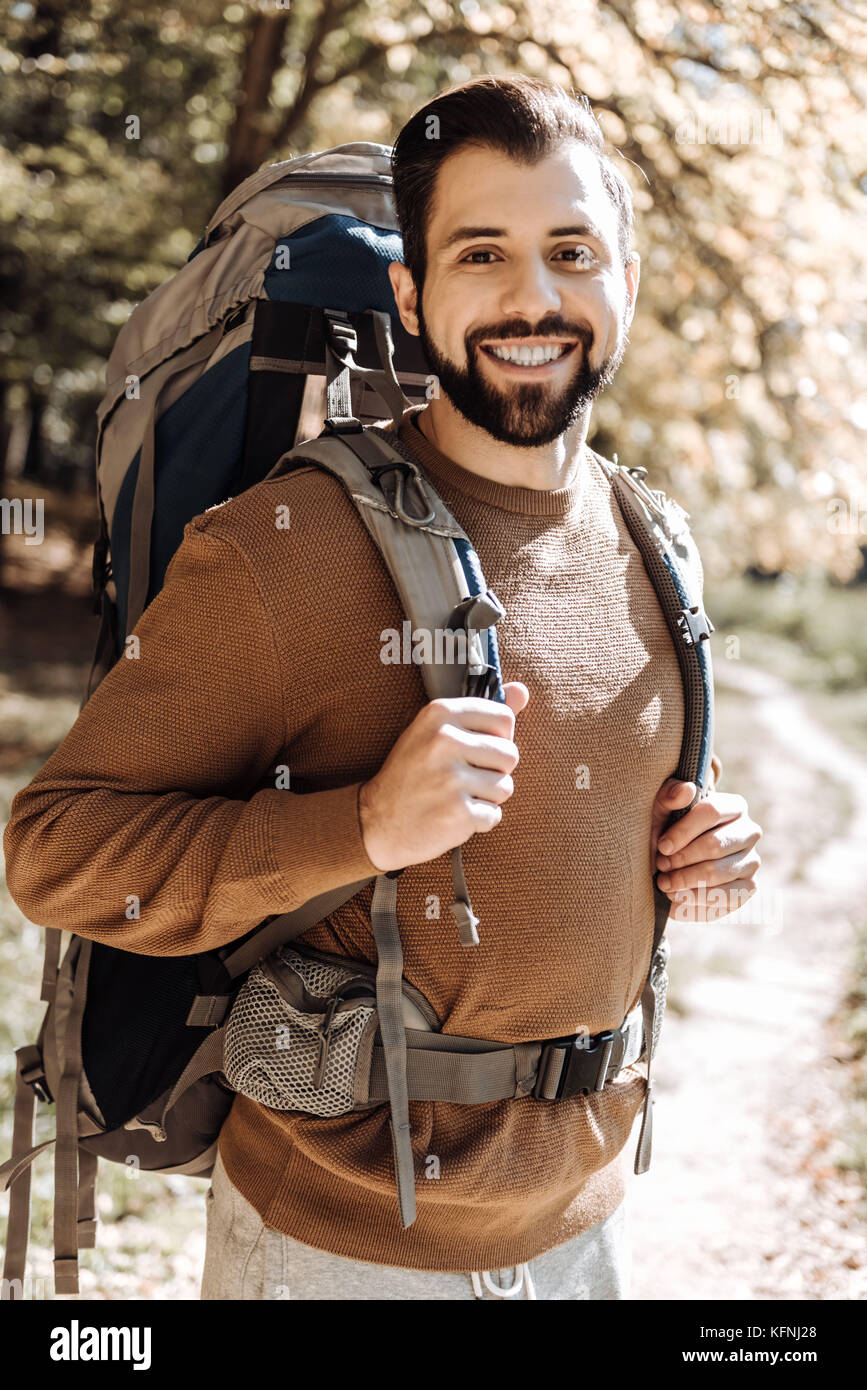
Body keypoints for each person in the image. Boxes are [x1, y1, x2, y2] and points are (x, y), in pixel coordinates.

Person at [3, 74, 762, 1301]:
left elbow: (618, 823)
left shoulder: (653, 540)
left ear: (625, 283)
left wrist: (712, 849)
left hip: (589, 1231)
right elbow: (56, 852)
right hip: (335, 1250)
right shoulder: (283, 551)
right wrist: (358, 827)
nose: (534, 296)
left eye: (573, 250)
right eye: (481, 253)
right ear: (412, 295)